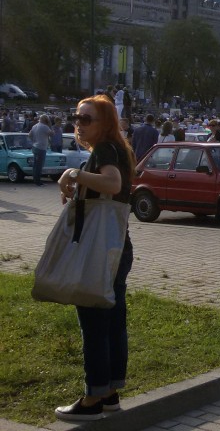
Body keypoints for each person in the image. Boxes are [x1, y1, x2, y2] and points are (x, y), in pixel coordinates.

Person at [53, 95, 136, 421]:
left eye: (87, 119)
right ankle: (110, 393)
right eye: (77, 117)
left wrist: (74, 173)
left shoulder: (104, 150)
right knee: (112, 321)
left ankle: (93, 398)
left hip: (99, 249)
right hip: (117, 246)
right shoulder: (117, 149)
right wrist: (80, 187)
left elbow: (113, 184)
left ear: (106, 123)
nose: (79, 124)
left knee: (94, 322)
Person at [29, 114, 53, 185]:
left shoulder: (34, 126)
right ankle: (38, 181)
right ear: (46, 120)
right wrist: (50, 125)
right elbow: (52, 134)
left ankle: (35, 179)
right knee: (39, 165)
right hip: (41, 147)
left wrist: (33, 141)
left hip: (35, 146)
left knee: (35, 165)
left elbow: (29, 135)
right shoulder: (45, 127)